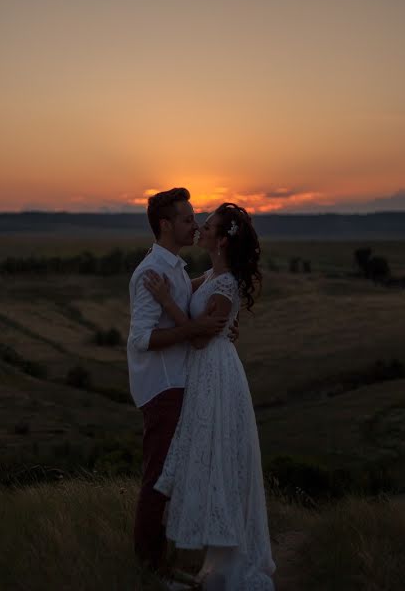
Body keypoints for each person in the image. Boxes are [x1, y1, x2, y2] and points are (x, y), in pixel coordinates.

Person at [145, 203, 275, 590]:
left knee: (220, 452)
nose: (201, 227)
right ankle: (214, 567)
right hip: (205, 372)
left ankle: (233, 569)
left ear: (221, 239)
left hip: (216, 371)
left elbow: (201, 338)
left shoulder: (227, 284)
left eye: (209, 225)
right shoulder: (210, 277)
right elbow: (195, 311)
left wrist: (167, 302)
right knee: (208, 452)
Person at [126, 187, 229, 575]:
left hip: (178, 384)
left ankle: (163, 561)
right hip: (163, 387)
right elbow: (141, 338)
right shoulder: (151, 273)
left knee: (173, 477)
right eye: (187, 218)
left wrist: (226, 275)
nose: (195, 224)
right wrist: (196, 329)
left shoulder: (175, 269)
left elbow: (191, 292)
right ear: (166, 225)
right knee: (158, 479)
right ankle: (148, 568)